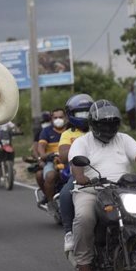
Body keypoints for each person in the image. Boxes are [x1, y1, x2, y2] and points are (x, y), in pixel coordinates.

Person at [69, 100, 136, 271]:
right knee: (84, 217)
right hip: (91, 190)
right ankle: (83, 261)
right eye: (103, 124)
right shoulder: (82, 142)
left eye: (112, 124)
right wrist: (80, 177)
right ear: (94, 124)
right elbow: (76, 163)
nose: (108, 128)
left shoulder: (124, 139)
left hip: (124, 190)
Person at [58, 94, 93, 255]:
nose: (84, 117)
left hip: (105, 172)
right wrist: (78, 149)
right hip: (80, 174)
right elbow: (64, 156)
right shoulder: (68, 134)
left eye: (87, 112)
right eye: (80, 114)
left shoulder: (100, 129)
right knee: (65, 194)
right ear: (72, 115)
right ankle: (69, 233)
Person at [35, 108, 68, 208]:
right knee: (49, 176)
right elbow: (41, 148)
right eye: (55, 117)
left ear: (66, 117)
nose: (58, 119)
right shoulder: (46, 131)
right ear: (51, 119)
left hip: (69, 161)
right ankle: (51, 203)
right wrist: (44, 156)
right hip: (52, 161)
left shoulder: (70, 130)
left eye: (61, 117)